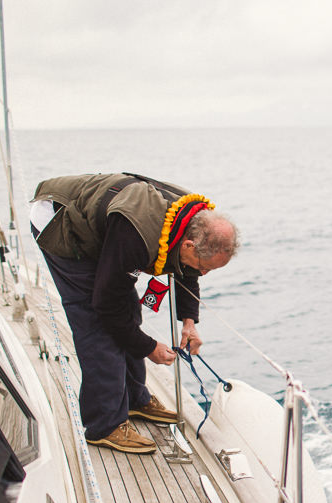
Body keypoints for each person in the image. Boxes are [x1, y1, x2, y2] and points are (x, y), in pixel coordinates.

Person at [29, 172, 239, 454]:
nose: (203, 273)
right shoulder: (137, 233)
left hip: (109, 225)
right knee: (96, 320)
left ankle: (134, 399)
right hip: (60, 220)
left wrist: (189, 323)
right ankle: (104, 425)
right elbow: (106, 304)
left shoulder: (193, 222)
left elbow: (187, 269)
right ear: (189, 245)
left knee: (127, 308)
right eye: (206, 267)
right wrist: (148, 346)